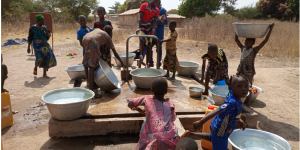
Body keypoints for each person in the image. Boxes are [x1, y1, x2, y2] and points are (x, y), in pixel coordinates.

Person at [181, 75, 248, 150]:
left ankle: (190, 134)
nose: (244, 89)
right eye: (239, 86)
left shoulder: (236, 97)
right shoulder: (232, 103)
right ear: (231, 87)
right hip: (221, 131)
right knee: (218, 140)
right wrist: (201, 122)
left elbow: (232, 113)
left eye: (246, 86)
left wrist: (240, 121)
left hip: (218, 126)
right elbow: (217, 111)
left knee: (213, 137)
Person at [127, 77, 180, 150]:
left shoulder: (147, 99)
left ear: (151, 89)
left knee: (146, 125)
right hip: (169, 138)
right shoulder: (170, 103)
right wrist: (143, 110)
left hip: (151, 137)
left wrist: (137, 108)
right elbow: (173, 118)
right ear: (166, 91)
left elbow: (130, 103)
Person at [235, 23, 274, 106]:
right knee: (237, 83)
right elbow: (236, 40)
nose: (246, 42)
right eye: (246, 40)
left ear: (253, 43)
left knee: (248, 86)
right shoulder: (243, 48)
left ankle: (247, 102)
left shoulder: (254, 50)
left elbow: (265, 41)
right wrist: (236, 29)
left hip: (249, 70)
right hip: (241, 69)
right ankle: (237, 99)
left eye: (249, 42)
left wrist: (270, 29)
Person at [82, 29, 126, 97]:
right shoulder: (108, 37)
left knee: (87, 62)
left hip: (85, 38)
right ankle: (92, 92)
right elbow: (115, 52)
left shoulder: (99, 31)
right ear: (111, 34)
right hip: (93, 41)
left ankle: (89, 84)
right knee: (92, 66)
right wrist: (122, 63)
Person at [27, 14, 57, 78]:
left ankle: (44, 74)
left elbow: (48, 37)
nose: (44, 21)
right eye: (42, 20)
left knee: (47, 57)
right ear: (38, 21)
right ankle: (35, 67)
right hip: (37, 45)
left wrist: (46, 31)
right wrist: (28, 47)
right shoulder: (33, 28)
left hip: (45, 44)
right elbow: (30, 38)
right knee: (39, 58)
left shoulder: (45, 27)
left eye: (44, 20)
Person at [137, 0, 160, 68]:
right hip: (142, 26)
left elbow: (154, 22)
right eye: (155, 1)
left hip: (149, 27)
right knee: (142, 40)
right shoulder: (144, 5)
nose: (156, 2)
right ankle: (141, 56)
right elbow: (140, 18)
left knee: (149, 46)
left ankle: (147, 64)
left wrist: (153, 29)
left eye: (158, 2)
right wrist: (138, 28)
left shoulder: (156, 10)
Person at [150, 0, 168, 68]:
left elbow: (166, 22)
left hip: (159, 34)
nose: (155, 3)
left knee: (159, 49)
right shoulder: (151, 10)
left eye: (157, 1)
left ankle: (158, 63)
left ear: (159, 2)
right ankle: (150, 62)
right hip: (151, 34)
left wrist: (155, 21)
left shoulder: (162, 10)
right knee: (149, 47)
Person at [77, 15, 93, 83]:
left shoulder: (91, 29)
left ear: (86, 21)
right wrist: (87, 49)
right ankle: (88, 81)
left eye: (84, 20)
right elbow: (81, 43)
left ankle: (93, 80)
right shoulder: (79, 31)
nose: (83, 22)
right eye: (81, 21)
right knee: (86, 66)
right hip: (86, 51)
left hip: (93, 50)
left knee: (93, 65)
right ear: (79, 22)